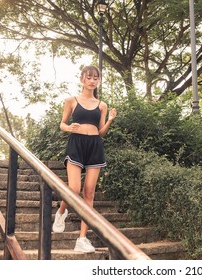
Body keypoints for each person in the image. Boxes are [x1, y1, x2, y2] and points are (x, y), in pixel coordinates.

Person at [52, 65, 117, 253]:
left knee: (89, 193)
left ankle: (82, 239)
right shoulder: (71, 101)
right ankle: (61, 212)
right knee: (74, 189)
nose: (92, 81)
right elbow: (62, 124)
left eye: (96, 78)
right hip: (76, 144)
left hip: (95, 146)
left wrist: (110, 120)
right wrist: (69, 127)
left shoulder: (102, 105)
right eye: (89, 77)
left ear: (99, 81)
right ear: (82, 79)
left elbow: (101, 132)